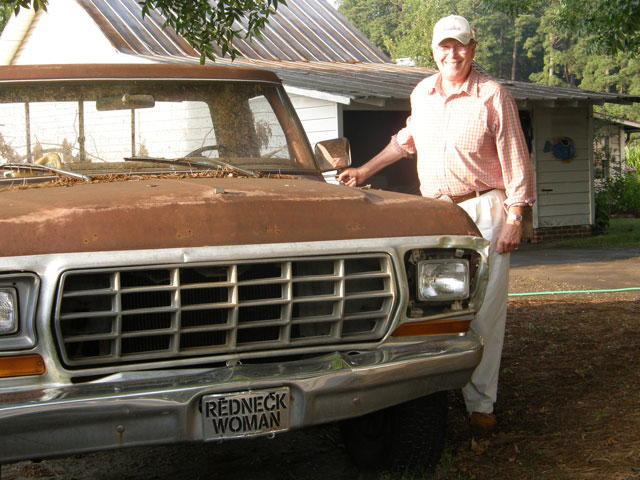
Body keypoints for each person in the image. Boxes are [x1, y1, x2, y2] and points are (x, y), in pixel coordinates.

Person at [338, 14, 535, 430]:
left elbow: (518, 161)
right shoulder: (422, 92)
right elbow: (407, 139)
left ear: (473, 48)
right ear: (433, 50)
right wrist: (365, 171)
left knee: (483, 312)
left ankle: (481, 404)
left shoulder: (492, 96)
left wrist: (516, 216)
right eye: (445, 46)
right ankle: (430, 392)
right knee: (429, 306)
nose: (453, 53)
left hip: (484, 209)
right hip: (436, 212)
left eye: (460, 45)